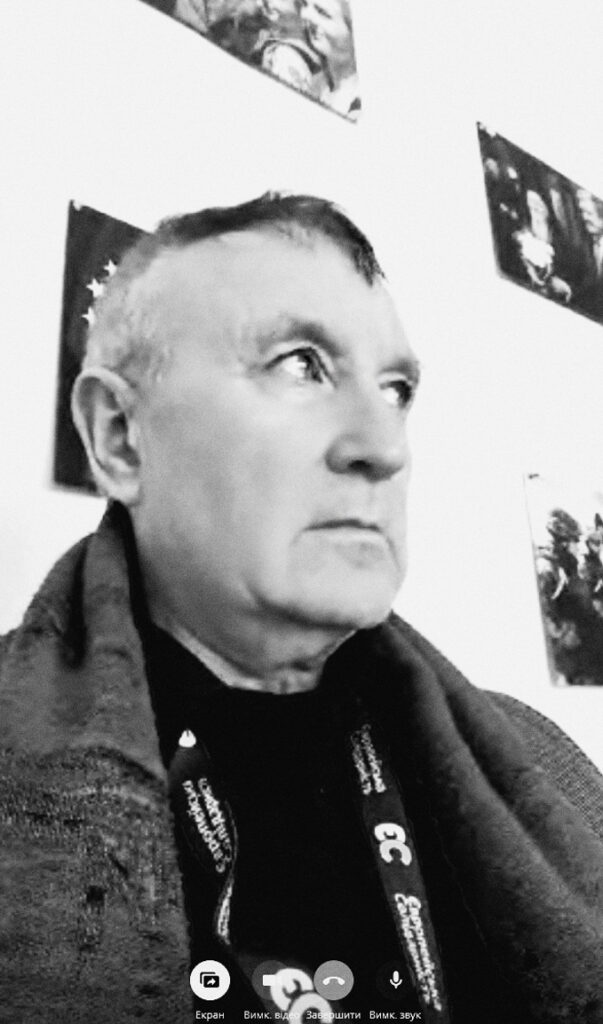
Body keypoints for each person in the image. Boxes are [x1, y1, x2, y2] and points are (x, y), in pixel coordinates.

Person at [1, 193, 603, 1024]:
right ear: (120, 437)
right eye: (300, 364)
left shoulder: (544, 762)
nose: (383, 447)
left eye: (395, 389)